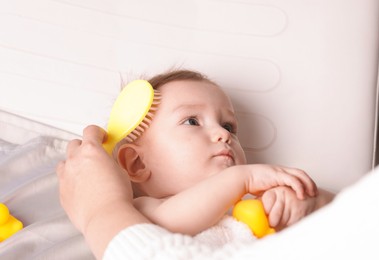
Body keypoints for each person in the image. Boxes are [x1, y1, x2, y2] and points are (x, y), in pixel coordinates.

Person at [57, 69, 334, 259]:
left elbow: (348, 210)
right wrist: (241, 178)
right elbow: (174, 220)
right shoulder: (144, 211)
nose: (224, 134)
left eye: (229, 125)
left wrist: (305, 203)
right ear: (137, 163)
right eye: (192, 121)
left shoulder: (250, 198)